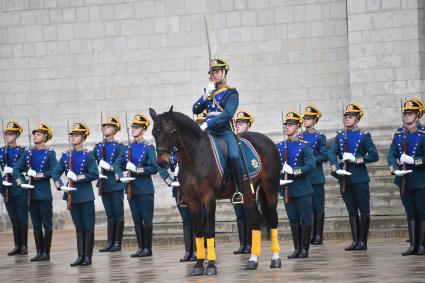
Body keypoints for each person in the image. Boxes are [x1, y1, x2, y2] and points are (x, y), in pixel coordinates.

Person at [192, 57, 244, 205]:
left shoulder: (231, 93)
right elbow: (195, 109)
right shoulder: (209, 92)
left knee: (234, 156)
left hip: (224, 132)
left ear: (224, 73)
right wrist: (205, 95)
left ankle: (239, 190)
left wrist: (208, 122)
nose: (214, 75)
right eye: (212, 73)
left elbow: (228, 113)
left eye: (217, 72)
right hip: (209, 133)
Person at [329, 103, 379, 251]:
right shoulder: (339, 135)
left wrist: (357, 159)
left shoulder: (364, 136)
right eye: (346, 117)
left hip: (359, 178)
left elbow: (374, 155)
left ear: (357, 119)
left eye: (350, 117)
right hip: (345, 178)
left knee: (364, 210)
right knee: (351, 210)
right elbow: (331, 153)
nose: (347, 119)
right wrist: (336, 168)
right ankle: (355, 240)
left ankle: (363, 241)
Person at [52, 121, 99, 266]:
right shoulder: (66, 156)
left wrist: (78, 177)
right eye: (72, 135)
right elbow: (55, 172)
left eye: (77, 135)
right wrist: (60, 186)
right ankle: (80, 256)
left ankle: (88, 257)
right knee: (79, 227)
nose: (73, 137)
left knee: (88, 227)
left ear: (83, 138)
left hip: (85, 195)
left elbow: (94, 174)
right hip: (71, 196)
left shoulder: (88, 155)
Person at [14, 123, 57, 261]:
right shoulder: (28, 153)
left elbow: (53, 171)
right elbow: (16, 169)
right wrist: (22, 184)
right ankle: (39, 251)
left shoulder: (50, 153)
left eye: (38, 134)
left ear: (45, 137)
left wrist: (38, 175)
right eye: (34, 134)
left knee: (47, 224)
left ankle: (46, 252)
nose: (35, 136)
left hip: (44, 194)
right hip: (31, 194)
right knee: (36, 224)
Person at [387, 99, 425, 255]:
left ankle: (422, 245)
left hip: (420, 179)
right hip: (403, 180)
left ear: (418, 116)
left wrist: (414, 161)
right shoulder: (398, 134)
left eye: (410, 114)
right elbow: (391, 155)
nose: (407, 116)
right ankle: (413, 245)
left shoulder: (423, 134)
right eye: (405, 114)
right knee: (410, 212)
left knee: (422, 213)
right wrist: (395, 169)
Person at [277, 111, 315, 258]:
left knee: (305, 219)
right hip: (287, 189)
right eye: (286, 125)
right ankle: (297, 248)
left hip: (302, 189)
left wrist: (293, 170)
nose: (287, 127)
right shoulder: (279, 146)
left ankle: (304, 249)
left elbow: (310, 166)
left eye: (291, 125)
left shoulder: (304, 146)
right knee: (293, 220)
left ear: (298, 127)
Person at [123, 114, 158, 258]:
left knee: (146, 219)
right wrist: (120, 173)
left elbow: (154, 168)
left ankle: (147, 248)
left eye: (136, 127)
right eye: (133, 127)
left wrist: (137, 169)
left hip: (144, 189)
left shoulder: (148, 147)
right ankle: (140, 247)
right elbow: (118, 164)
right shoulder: (126, 148)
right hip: (131, 188)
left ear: (143, 129)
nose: (133, 129)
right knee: (136, 219)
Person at [94, 116, 125, 252]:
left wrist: (110, 167)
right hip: (104, 183)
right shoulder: (98, 147)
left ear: (115, 129)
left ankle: (117, 242)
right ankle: (109, 242)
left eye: (109, 126)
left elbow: (122, 164)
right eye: (104, 126)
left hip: (116, 183)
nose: (105, 128)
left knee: (118, 214)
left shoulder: (119, 147)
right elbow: (90, 163)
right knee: (109, 214)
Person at [302, 105, 328, 245]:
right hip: (304, 178)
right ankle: (310, 234)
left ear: (315, 120)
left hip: (316, 177)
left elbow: (325, 156)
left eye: (309, 118)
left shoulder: (319, 137)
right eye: (305, 118)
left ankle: (318, 235)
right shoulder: (299, 137)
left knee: (318, 207)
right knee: (307, 208)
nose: (305, 120)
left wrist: (311, 160)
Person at [0, 121, 27, 256]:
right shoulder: (1, 151)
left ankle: (24, 246)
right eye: (6, 133)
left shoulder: (22, 151)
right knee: (13, 218)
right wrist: (1, 185)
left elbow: (26, 169)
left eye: (10, 134)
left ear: (16, 135)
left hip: (18, 187)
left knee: (22, 218)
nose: (7, 136)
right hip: (6, 188)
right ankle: (17, 245)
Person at [232, 110, 254, 254]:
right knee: (239, 214)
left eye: (242, 123)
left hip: (249, 180)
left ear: (248, 125)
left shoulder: (252, 141)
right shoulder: (232, 140)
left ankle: (251, 244)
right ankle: (243, 244)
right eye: (237, 123)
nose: (238, 126)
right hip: (235, 182)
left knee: (248, 213)